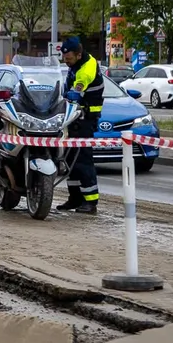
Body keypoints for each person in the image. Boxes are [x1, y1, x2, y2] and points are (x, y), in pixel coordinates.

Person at [59, 37, 105, 214]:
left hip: (85, 119)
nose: (66, 61)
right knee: (71, 159)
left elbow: (76, 90)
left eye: (69, 59)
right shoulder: (75, 65)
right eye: (64, 58)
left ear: (78, 55)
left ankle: (90, 201)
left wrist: (72, 94)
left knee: (83, 159)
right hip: (74, 118)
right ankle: (75, 197)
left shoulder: (86, 70)